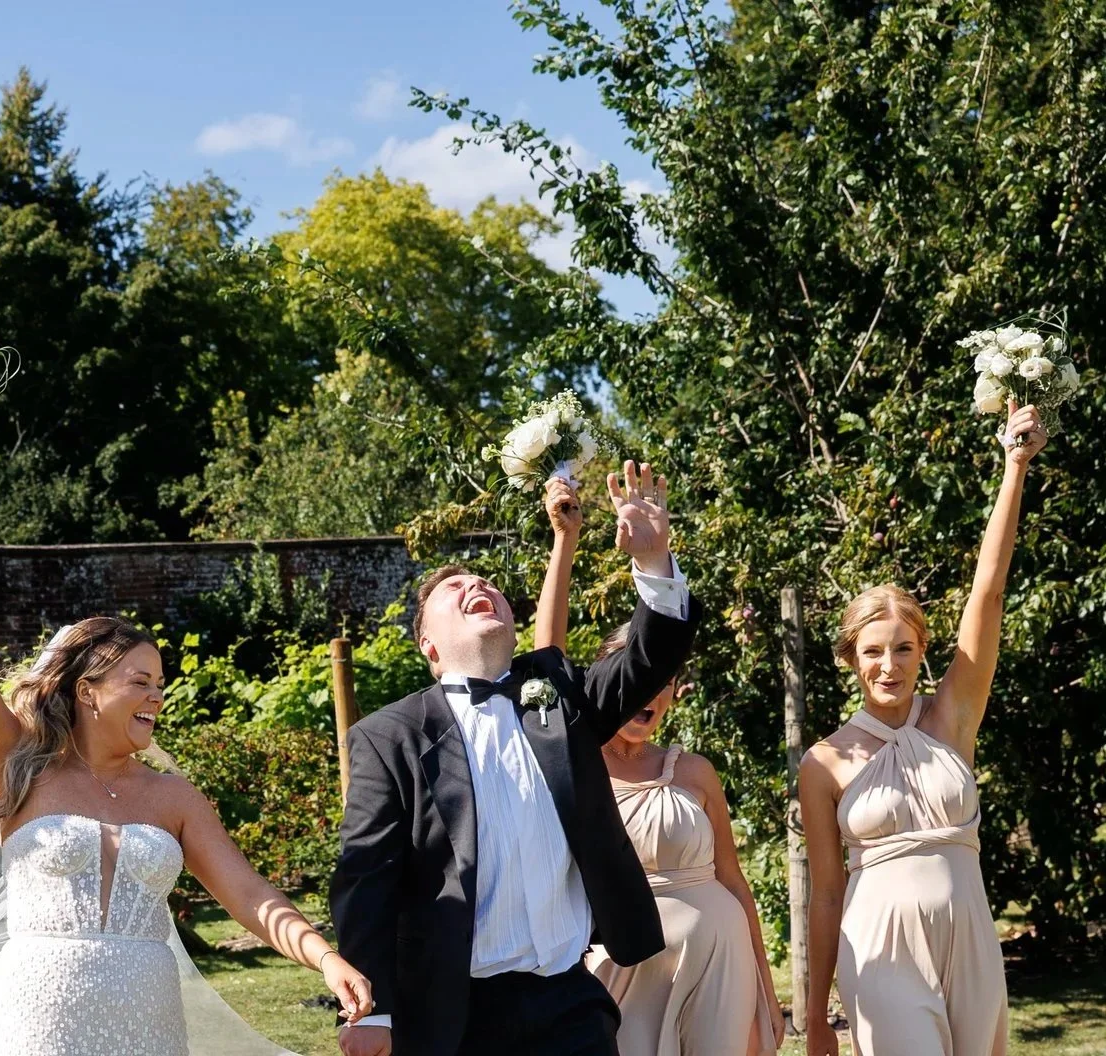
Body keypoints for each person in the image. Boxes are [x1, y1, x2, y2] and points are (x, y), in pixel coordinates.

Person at [0, 460, 372, 1056]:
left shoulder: (173, 797)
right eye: (139, 682)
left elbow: (248, 894)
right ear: (87, 691)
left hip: (148, 1014)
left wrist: (324, 957)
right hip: (41, 1012)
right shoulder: (17, 765)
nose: (156, 696)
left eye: (160, 684)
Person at [335, 462, 699, 1056]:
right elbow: (366, 880)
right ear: (428, 645)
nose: (476, 585)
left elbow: (648, 659)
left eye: (485, 582)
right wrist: (375, 1012)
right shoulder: (388, 736)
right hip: (453, 1014)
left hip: (569, 1003)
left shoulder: (558, 692)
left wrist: (654, 561)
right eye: (454, 588)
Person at [798, 402, 1046, 1056]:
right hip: (879, 946)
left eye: (904, 649)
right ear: (851, 659)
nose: (890, 665)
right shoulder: (823, 763)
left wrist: (1014, 467)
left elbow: (988, 594)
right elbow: (826, 895)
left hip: (971, 936)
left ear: (922, 652)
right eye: (874, 651)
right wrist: (816, 1015)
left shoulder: (950, 717)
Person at [529, 477, 784, 1056]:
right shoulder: (574, 765)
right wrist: (564, 540)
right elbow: (548, 661)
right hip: (623, 965)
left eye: (665, 683)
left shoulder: (695, 771)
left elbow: (733, 881)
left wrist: (767, 993)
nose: (651, 694)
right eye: (639, 681)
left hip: (720, 959)